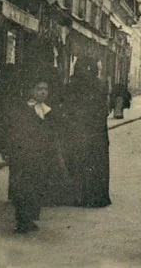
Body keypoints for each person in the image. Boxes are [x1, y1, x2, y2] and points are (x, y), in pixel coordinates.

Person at [1, 80, 64, 233]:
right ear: (31, 91)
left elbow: (52, 133)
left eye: (45, 89)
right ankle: (22, 220)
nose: (43, 92)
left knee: (37, 186)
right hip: (24, 155)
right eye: (39, 89)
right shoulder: (23, 110)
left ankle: (29, 218)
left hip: (40, 156)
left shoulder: (47, 111)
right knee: (23, 187)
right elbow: (13, 133)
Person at [58, 57, 111, 207]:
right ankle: (93, 196)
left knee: (77, 162)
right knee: (93, 163)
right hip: (95, 133)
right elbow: (104, 110)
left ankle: (77, 196)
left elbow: (67, 108)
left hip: (77, 131)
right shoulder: (100, 86)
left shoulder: (72, 86)